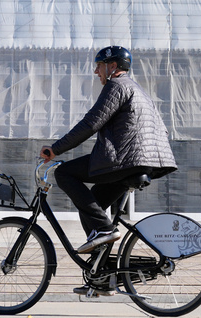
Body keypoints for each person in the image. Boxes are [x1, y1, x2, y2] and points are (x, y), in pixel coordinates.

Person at [41, 46, 177, 259]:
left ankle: (105, 229)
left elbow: (91, 123)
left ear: (112, 66)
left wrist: (55, 149)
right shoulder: (137, 89)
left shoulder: (117, 85)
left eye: (99, 66)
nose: (96, 72)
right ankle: (102, 276)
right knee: (92, 205)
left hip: (127, 160)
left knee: (64, 173)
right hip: (144, 161)